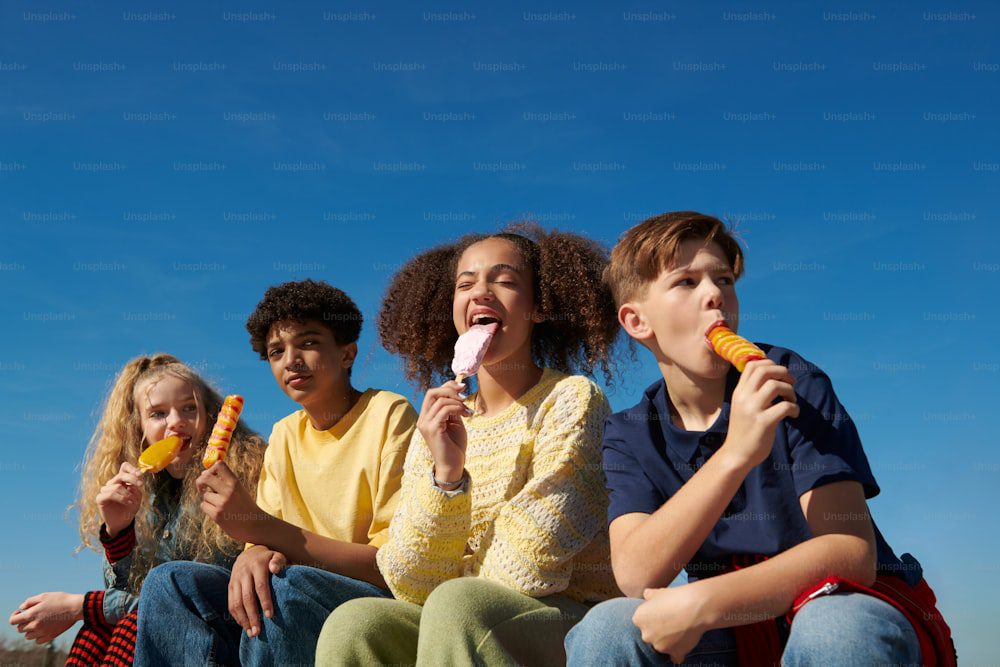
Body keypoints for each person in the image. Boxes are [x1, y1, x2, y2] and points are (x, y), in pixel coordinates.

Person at [565, 211, 955, 666]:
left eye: (724, 280)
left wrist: (703, 601)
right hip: (735, 627)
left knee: (833, 629)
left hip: (843, 604)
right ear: (636, 322)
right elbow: (636, 574)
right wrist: (734, 455)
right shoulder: (629, 432)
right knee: (608, 628)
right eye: (686, 283)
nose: (715, 295)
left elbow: (851, 552)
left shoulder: (792, 382)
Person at [316, 224, 623, 666]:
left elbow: (531, 559)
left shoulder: (573, 400)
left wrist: (453, 590)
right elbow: (410, 581)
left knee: (458, 604)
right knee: (356, 623)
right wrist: (447, 476)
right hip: (456, 613)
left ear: (538, 307)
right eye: (466, 284)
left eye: (503, 280)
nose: (480, 291)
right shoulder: (438, 424)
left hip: (566, 617)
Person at [134, 280, 416, 666]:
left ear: (347, 354)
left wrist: (258, 531)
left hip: (368, 601)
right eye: (276, 352)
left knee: (280, 585)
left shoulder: (388, 414)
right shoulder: (284, 435)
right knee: (171, 582)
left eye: (309, 343)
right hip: (290, 595)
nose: (291, 360)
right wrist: (254, 552)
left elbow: (391, 566)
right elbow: (264, 542)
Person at [9, 354, 266, 666]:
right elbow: (124, 595)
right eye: (158, 414)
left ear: (210, 416)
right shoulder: (147, 495)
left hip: (235, 635)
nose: (176, 421)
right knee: (99, 629)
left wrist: (82, 606)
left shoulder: (237, 481)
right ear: (138, 428)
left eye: (189, 408)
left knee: (129, 621)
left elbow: (177, 602)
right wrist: (118, 532)